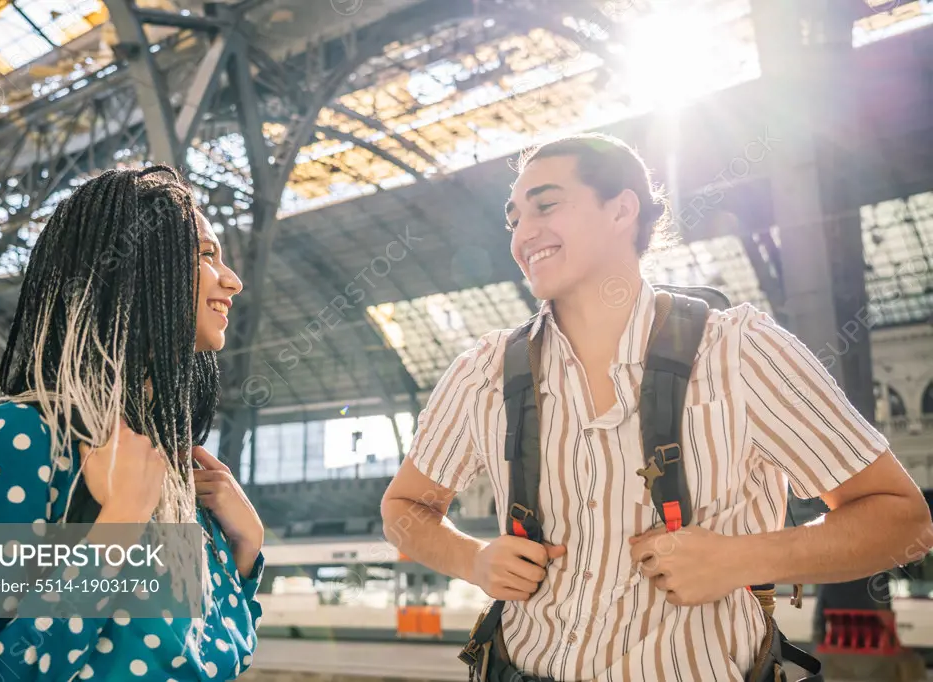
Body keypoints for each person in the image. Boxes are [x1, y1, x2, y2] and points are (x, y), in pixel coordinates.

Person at [380, 133, 933, 681]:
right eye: (514, 218)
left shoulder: (741, 352)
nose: (524, 234)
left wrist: (740, 559)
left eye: (546, 205)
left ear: (622, 209)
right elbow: (404, 508)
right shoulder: (482, 373)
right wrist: (472, 560)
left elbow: (900, 518)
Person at [0, 166, 263, 681]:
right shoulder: (19, 440)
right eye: (206, 256)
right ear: (139, 269)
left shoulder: (161, 465)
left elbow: (209, 658)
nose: (232, 280)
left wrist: (246, 547)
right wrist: (118, 524)